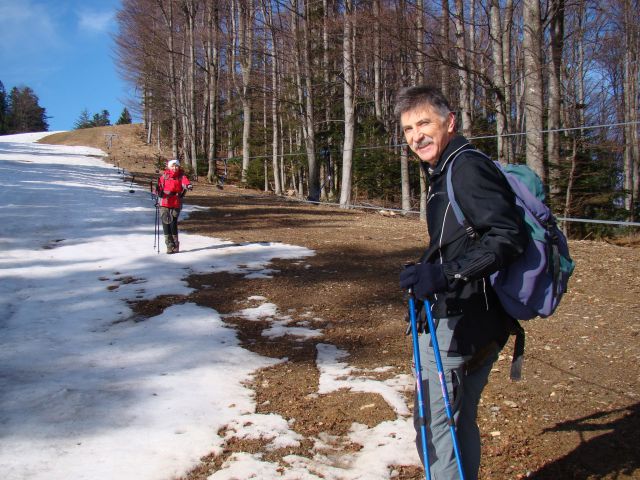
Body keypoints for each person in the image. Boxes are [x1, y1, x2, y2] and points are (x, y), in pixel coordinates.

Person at [395, 86, 528, 479]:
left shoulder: (465, 167)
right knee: (457, 420)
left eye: (424, 123)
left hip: (463, 323)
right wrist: (429, 267)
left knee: (434, 428)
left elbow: (507, 236)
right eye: (407, 129)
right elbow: (466, 237)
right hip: (480, 318)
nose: (415, 136)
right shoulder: (446, 168)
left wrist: (445, 274)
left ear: (449, 122)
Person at [157, 159, 192, 254]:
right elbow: (158, 188)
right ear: (169, 167)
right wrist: (158, 192)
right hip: (164, 202)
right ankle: (169, 245)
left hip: (176, 202)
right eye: (172, 166)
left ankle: (175, 245)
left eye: (176, 166)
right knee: (165, 223)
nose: (174, 168)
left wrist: (188, 186)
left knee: (173, 223)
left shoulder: (181, 176)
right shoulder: (164, 176)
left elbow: (185, 182)